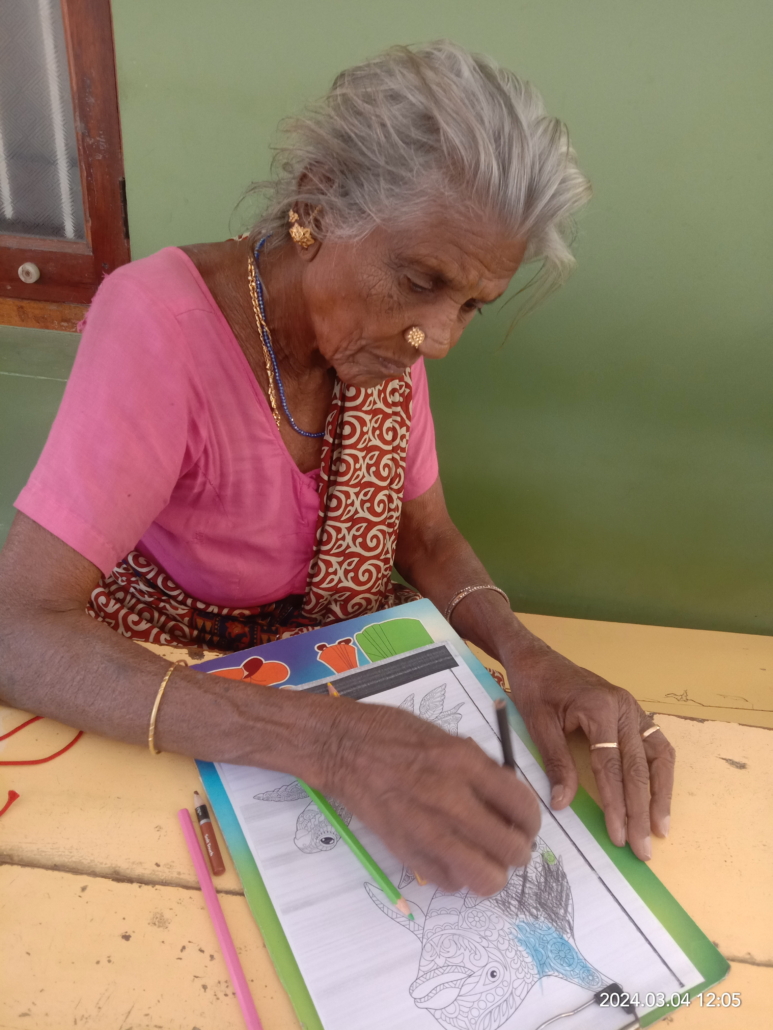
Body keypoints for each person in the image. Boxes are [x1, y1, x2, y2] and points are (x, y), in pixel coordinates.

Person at [0, 42, 674, 896]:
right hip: (170, 684)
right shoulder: (159, 325)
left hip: (336, 665)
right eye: (420, 280)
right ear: (317, 203)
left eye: (471, 304)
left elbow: (424, 534)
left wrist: (525, 652)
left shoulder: (380, 343)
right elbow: (17, 627)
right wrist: (332, 742)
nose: (440, 337)